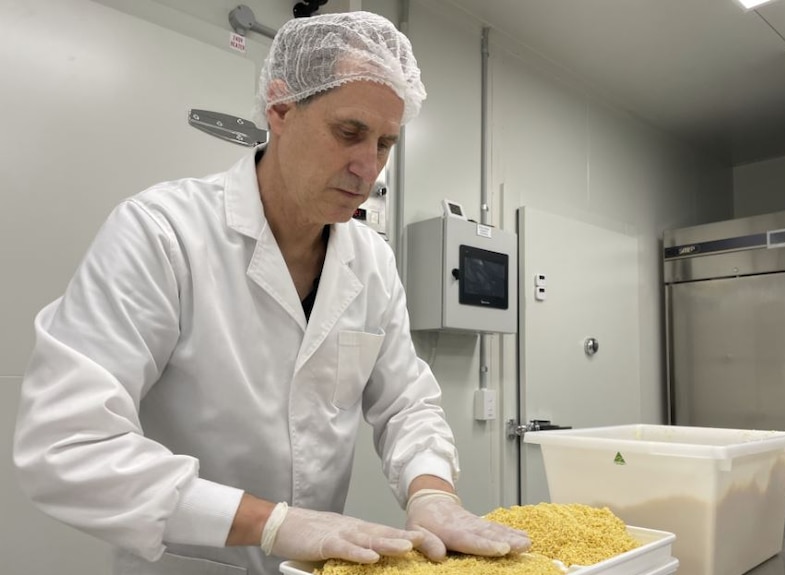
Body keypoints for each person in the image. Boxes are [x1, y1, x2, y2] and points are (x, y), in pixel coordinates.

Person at [12, 10, 530, 575]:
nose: (368, 168)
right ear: (281, 110)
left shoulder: (372, 260)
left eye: (385, 143)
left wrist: (432, 493)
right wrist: (274, 524)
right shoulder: (162, 233)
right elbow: (68, 446)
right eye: (349, 132)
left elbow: (406, 402)